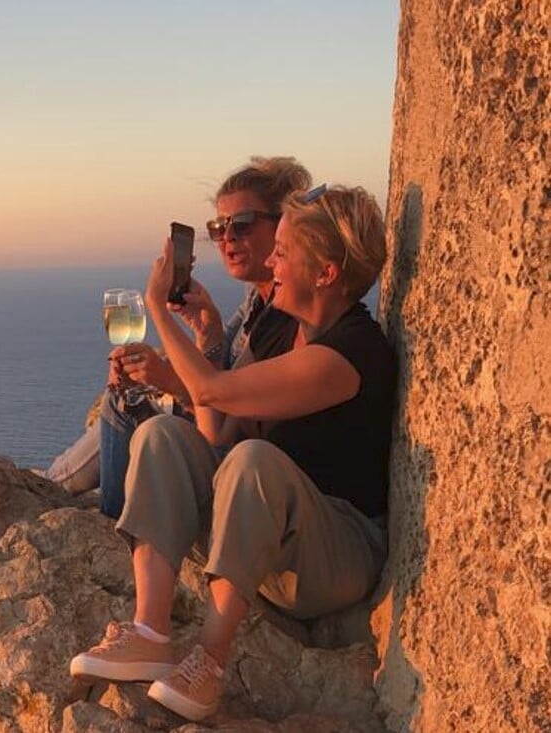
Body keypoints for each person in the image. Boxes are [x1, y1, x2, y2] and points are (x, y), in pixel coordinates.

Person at [67, 185, 395, 722]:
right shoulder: (278, 331)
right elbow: (214, 422)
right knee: (162, 436)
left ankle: (210, 661)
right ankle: (150, 631)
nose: (270, 261)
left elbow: (215, 393)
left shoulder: (352, 353)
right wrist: (208, 335)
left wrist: (158, 309)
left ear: (328, 273)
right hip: (267, 539)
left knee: (255, 461)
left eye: (284, 252)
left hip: (335, 553)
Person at [45, 157, 312, 515]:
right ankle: (51, 491)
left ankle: (74, 505)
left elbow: (225, 413)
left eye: (243, 224)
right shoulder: (256, 300)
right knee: (125, 399)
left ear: (281, 226)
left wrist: (158, 315)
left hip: (247, 462)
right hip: (228, 439)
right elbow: (214, 366)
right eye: (219, 227)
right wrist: (207, 330)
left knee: (125, 407)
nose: (228, 238)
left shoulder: (286, 312)